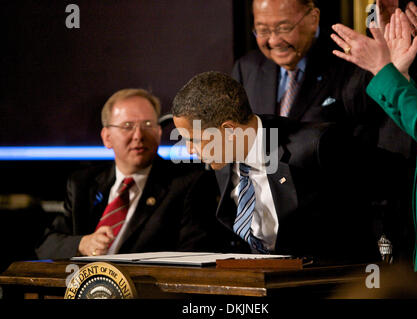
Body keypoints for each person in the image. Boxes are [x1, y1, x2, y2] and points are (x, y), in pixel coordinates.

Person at [172, 71, 380, 265]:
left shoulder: (316, 146)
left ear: (229, 130)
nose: (190, 149)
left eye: (195, 139)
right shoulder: (223, 158)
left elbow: (378, 201)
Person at [331, 3, 417, 271]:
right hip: (393, 180)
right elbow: (354, 96)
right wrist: (390, 66)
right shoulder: (383, 6)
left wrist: (386, 68)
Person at [35, 89, 218, 259]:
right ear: (107, 137)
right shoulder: (83, 183)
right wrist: (83, 244)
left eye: (147, 124)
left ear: (159, 131)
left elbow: (194, 255)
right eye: (127, 126)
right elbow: (46, 245)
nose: (138, 135)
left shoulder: (189, 183)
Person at [232, 0, 384, 146]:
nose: (273, 41)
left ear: (313, 19)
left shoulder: (351, 66)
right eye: (262, 30)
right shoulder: (246, 69)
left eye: (284, 28)